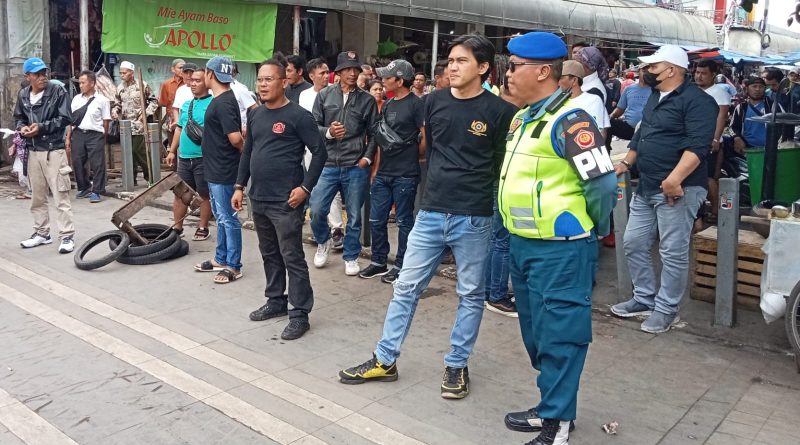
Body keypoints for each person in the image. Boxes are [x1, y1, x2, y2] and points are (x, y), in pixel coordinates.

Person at [338, 34, 516, 400]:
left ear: (483, 68)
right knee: (405, 287)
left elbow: (502, 164)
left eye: (461, 61)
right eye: (450, 60)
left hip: (475, 217)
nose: (452, 66)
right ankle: (385, 359)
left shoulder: (500, 113)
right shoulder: (431, 102)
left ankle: (456, 364)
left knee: (470, 294)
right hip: (431, 211)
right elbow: (420, 139)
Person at [499, 31, 617, 445]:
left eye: (514, 67)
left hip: (562, 250)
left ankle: (558, 423)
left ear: (543, 71)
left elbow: (602, 186)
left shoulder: (573, 121)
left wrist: (592, 229)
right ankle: (549, 404)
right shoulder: (523, 118)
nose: (508, 73)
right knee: (535, 334)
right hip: (524, 246)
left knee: (561, 336)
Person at [611, 45, 717, 333]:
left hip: (677, 190)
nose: (646, 71)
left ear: (671, 69)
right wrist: (627, 161)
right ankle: (644, 298)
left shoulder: (699, 102)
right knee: (633, 242)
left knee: (672, 252)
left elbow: (698, 146)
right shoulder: (655, 96)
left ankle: (667, 309)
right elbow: (642, 133)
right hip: (647, 185)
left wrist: (674, 180)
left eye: (653, 66)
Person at [236, 59, 327, 340]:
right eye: (259, 80)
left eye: (268, 80)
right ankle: (276, 300)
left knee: (292, 257)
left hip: (287, 201)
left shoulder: (298, 116)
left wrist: (306, 188)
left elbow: (320, 152)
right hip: (259, 197)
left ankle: (300, 313)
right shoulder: (256, 115)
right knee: (269, 253)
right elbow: (248, 152)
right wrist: (239, 186)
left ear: (283, 82)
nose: (262, 85)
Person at [310, 51, 378, 276]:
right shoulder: (324, 96)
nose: (352, 73)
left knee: (355, 216)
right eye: (347, 69)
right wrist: (328, 132)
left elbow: (374, 133)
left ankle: (351, 256)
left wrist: (366, 158)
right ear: (337, 72)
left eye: (355, 69)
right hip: (327, 163)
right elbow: (312, 127)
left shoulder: (367, 100)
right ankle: (323, 241)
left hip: (354, 164)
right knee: (318, 210)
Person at [358, 59, 425, 284]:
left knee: (404, 221)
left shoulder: (416, 104)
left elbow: (424, 136)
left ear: (399, 80)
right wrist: (376, 168)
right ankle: (378, 261)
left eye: (387, 77)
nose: (383, 81)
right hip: (384, 172)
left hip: (405, 173)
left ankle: (401, 264)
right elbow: (380, 140)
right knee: (377, 219)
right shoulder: (387, 104)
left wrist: (414, 156)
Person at [14, 57, 75, 253]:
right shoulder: (23, 94)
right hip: (33, 151)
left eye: (44, 73)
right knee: (37, 196)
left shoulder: (57, 91)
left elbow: (66, 117)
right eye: (37, 74)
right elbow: (19, 117)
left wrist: (41, 128)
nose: (43, 77)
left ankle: (66, 236)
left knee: (60, 194)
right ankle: (42, 233)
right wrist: (22, 127)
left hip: (53, 150)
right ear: (28, 76)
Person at [193, 56, 245, 284]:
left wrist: (246, 156)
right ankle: (221, 258)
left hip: (224, 169)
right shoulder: (221, 98)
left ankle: (233, 265)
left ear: (210, 74)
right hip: (215, 168)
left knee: (228, 218)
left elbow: (235, 137)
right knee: (221, 218)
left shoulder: (224, 102)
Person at [299, 59, 344, 245]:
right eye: (322, 73)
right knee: (315, 189)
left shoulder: (336, 93)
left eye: (328, 72)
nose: (326, 76)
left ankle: (337, 228)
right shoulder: (304, 95)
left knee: (332, 190)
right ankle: (321, 229)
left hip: (333, 149)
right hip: (310, 149)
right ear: (311, 76)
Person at [166, 68, 213, 241]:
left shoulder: (213, 104)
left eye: (198, 80)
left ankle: (203, 226)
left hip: (203, 157)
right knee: (180, 193)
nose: (193, 83)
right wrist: (172, 150)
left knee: (204, 194)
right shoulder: (187, 105)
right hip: (184, 158)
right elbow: (179, 128)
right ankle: (177, 227)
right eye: (192, 80)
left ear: (207, 82)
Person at [694, 59, 731, 223]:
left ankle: (716, 211)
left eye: (704, 73)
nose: (699, 76)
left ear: (713, 75)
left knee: (708, 178)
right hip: (694, 141)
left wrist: (715, 139)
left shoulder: (720, 92)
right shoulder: (693, 91)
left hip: (710, 142)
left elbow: (722, 117)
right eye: (697, 72)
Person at [67, 70, 111, 203]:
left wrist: (103, 136)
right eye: (79, 82)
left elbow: (106, 120)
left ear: (92, 83)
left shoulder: (102, 100)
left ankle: (97, 190)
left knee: (97, 164)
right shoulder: (76, 99)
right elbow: (71, 121)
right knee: (77, 161)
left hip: (95, 134)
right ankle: (84, 187)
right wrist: (68, 138)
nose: (80, 85)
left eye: (83, 82)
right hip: (78, 133)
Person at [112, 61, 158, 185]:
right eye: (120, 73)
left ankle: (150, 178)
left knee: (139, 151)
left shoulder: (142, 85)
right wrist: (115, 111)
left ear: (131, 73)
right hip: (125, 125)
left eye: (124, 73)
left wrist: (146, 114)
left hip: (139, 124)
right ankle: (130, 179)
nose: (122, 75)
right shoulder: (120, 88)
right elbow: (117, 103)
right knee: (128, 152)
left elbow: (154, 101)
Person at [558, 60, 610, 137]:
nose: (558, 82)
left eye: (561, 78)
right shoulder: (557, 101)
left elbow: (600, 131)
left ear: (574, 80)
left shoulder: (593, 101)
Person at [730, 77, 782, 152]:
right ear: (747, 89)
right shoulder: (741, 108)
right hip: (748, 149)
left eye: (761, 87)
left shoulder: (772, 105)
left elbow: (782, 125)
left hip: (770, 149)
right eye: (754, 86)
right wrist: (737, 138)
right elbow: (733, 127)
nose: (757, 89)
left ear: (765, 89)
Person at [606, 65, 652, 149]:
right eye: (644, 70)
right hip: (629, 128)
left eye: (649, 70)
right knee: (607, 124)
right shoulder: (629, 89)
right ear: (638, 72)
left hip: (648, 130)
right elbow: (620, 109)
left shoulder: (656, 90)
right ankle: (605, 153)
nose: (647, 73)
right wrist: (611, 116)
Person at [171, 63, 198, 133]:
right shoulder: (180, 90)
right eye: (186, 73)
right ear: (182, 74)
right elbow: (175, 108)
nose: (188, 75)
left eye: (191, 72)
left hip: (199, 126)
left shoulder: (203, 88)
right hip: (183, 126)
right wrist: (177, 122)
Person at [160, 58, 185, 134]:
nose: (182, 70)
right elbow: (163, 103)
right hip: (171, 120)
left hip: (186, 120)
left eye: (184, 68)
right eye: (180, 68)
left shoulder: (189, 84)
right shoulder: (166, 84)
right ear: (173, 69)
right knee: (172, 145)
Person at [230, 63, 258, 132]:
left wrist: (247, 126)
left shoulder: (240, 88)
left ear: (235, 73)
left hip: (238, 130)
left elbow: (255, 108)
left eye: (232, 71)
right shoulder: (213, 88)